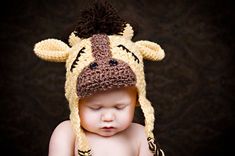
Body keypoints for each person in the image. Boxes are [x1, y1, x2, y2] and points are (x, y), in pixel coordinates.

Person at [34, 1, 165, 156]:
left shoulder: (139, 135)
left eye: (119, 107)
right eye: (95, 108)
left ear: (137, 99)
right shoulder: (67, 133)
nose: (108, 117)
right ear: (76, 103)